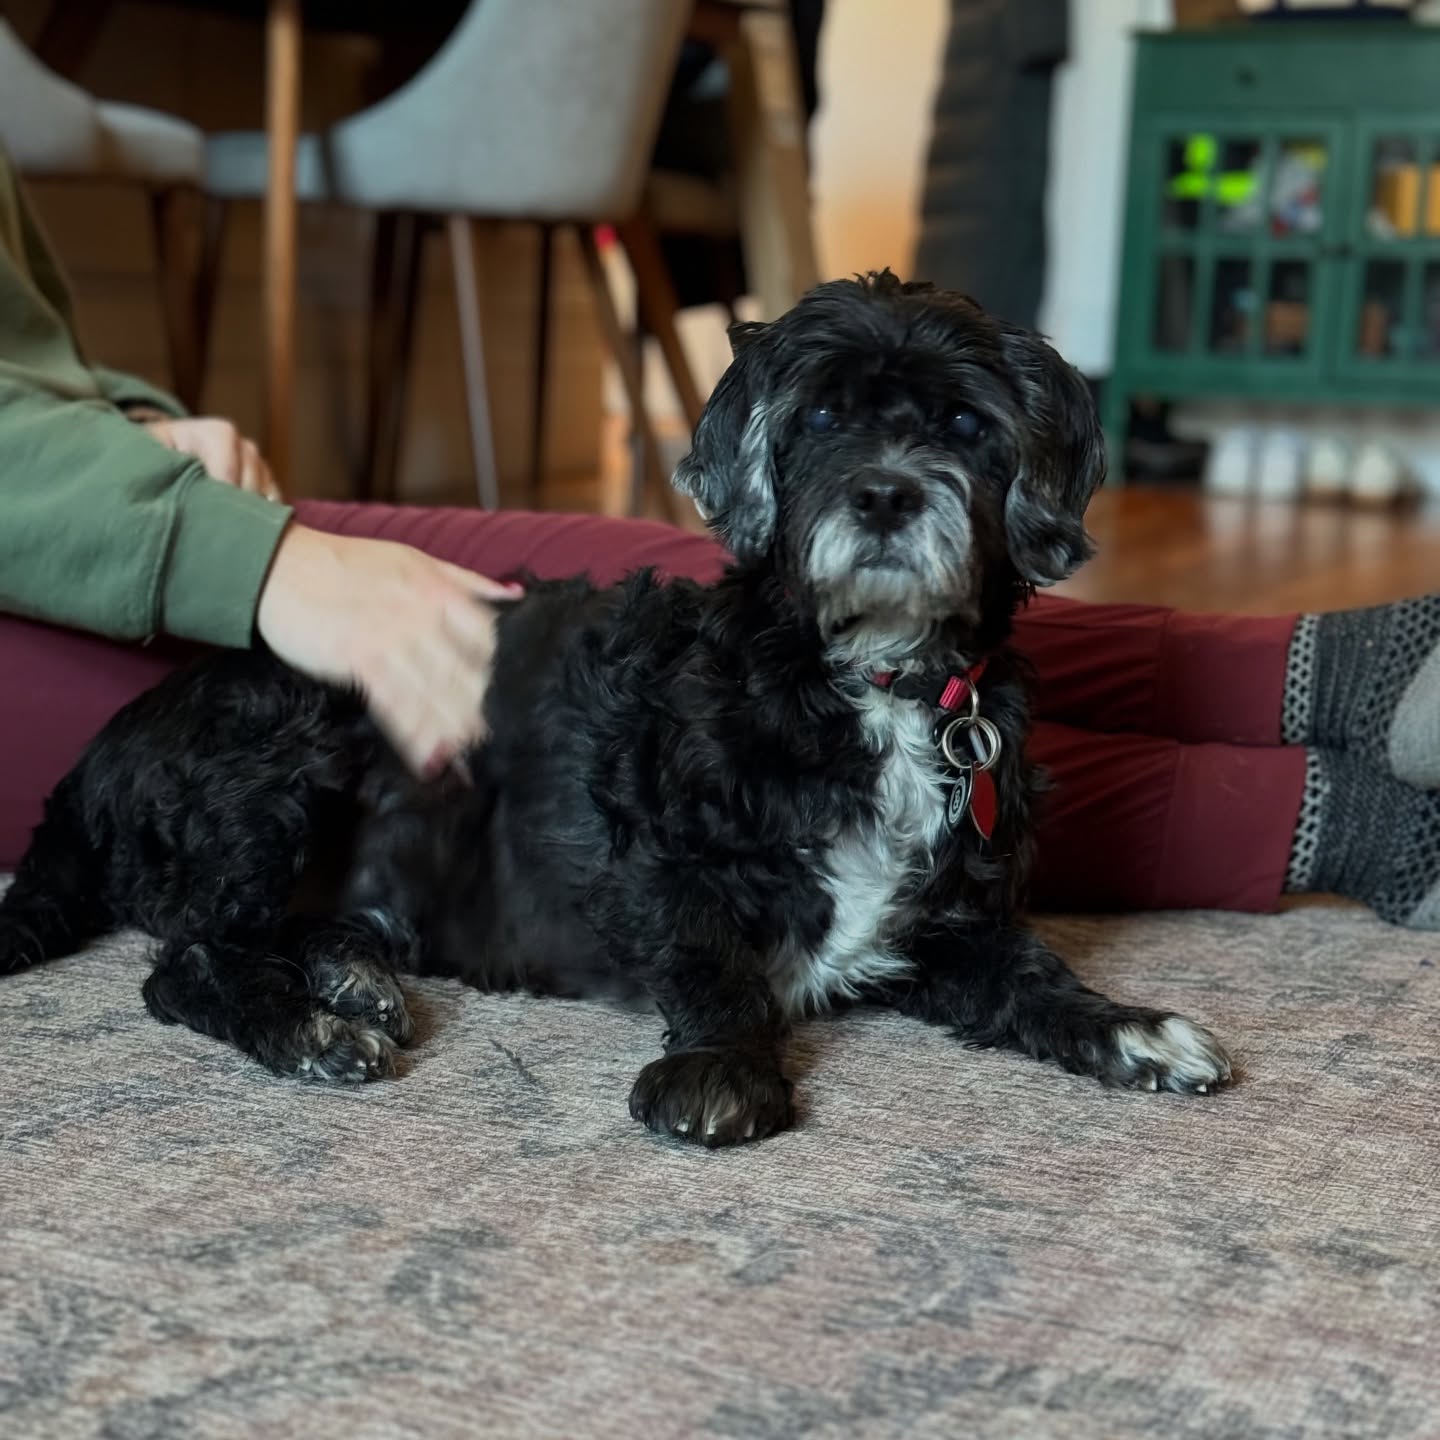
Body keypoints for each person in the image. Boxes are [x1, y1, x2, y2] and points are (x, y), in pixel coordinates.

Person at [3, 145, 1439, 928]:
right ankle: (1344, 817)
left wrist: (125, 417)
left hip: (56, 479)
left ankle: (1324, 673)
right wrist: (251, 564)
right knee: (727, 699)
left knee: (713, 600)